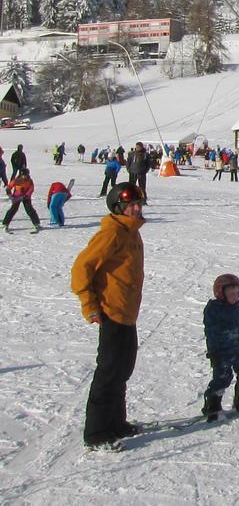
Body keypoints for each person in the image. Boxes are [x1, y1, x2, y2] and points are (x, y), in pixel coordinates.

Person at [70, 181, 146, 449]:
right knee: (109, 371)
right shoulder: (112, 232)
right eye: (131, 206)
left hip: (127, 312)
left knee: (123, 370)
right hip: (111, 311)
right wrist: (89, 303)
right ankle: (97, 433)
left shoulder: (131, 231)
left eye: (138, 204)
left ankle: (117, 423)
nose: (136, 209)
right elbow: (82, 268)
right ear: (118, 207)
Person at [202, 273, 239, 420]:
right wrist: (215, 353)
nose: (234, 295)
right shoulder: (214, 310)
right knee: (222, 379)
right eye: (230, 292)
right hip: (223, 354)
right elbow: (211, 334)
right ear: (220, 293)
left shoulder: (237, 309)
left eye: (236, 292)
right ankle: (212, 406)